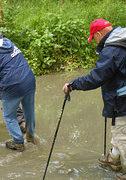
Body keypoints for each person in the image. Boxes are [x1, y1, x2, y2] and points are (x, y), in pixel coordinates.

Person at [62, 19, 126, 180]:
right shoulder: (122, 40)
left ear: (99, 34)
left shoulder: (112, 50)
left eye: (94, 38)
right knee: (118, 130)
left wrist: (73, 85)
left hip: (122, 100)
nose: (95, 41)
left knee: (121, 132)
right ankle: (114, 159)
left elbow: (96, 78)